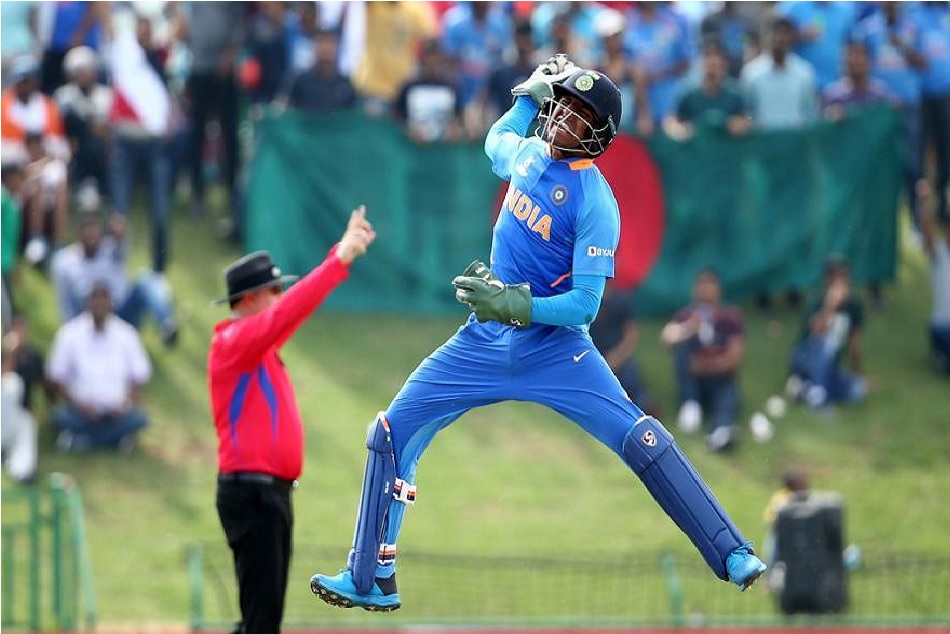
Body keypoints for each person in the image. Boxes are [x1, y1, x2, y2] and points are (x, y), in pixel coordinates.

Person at [310, 57, 766, 613]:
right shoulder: (528, 153)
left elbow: (585, 305)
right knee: (390, 430)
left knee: (641, 436)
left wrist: (513, 303)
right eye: (559, 109)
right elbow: (496, 139)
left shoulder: (597, 203)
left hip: (558, 350)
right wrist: (527, 96)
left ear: (599, 137)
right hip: (484, 339)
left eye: (574, 117)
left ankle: (731, 551)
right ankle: (372, 577)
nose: (558, 122)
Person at [209, 207, 375, 634]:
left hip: (270, 496)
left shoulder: (256, 348)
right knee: (262, 623)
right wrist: (338, 260)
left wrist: (339, 257)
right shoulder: (232, 342)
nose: (280, 297)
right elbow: (285, 314)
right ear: (249, 300)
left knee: (262, 620)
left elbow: (292, 312)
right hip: (254, 495)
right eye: (272, 291)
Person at [47, 282, 152, 452]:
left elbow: (139, 378)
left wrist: (125, 404)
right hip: (80, 411)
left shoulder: (127, 334)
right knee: (60, 417)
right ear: (87, 302)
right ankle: (114, 440)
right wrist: (80, 405)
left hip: (116, 412)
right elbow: (58, 378)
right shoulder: (69, 333)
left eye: (104, 299)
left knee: (139, 418)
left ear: (111, 302)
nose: (99, 304)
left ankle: (84, 441)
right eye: (95, 298)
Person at [50, 210, 179, 346]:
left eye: (95, 231)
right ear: (79, 234)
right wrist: (73, 334)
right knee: (84, 292)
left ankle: (167, 325)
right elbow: (66, 304)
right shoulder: (65, 262)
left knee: (147, 281)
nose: (91, 237)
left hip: (121, 314)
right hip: (90, 320)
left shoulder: (111, 249)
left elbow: (123, 245)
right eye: (87, 231)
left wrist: (121, 234)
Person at [660, 269, 746, 453]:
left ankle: (720, 431)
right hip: (693, 380)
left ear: (719, 290)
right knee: (682, 349)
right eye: (702, 285)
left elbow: (735, 356)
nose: (706, 291)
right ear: (695, 290)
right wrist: (689, 328)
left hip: (719, 376)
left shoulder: (730, 317)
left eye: (710, 285)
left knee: (728, 394)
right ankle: (690, 406)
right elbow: (667, 340)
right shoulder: (686, 316)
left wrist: (706, 366)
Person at [786, 258, 867, 412]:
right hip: (804, 360)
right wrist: (830, 306)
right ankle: (818, 402)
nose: (845, 283)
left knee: (857, 391)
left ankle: (803, 389)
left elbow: (854, 344)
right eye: (839, 279)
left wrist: (858, 375)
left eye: (846, 277)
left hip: (830, 368)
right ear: (828, 280)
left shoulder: (854, 306)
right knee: (827, 342)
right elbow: (815, 334)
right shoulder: (815, 302)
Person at [590, 281, 656, 416]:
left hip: (617, 355)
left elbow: (632, 335)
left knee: (630, 376)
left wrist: (617, 356)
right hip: (591, 354)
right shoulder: (586, 300)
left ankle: (644, 409)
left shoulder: (622, 301)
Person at [665, 41, 749, 140]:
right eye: (708, 57)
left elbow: (746, 120)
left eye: (716, 58)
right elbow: (672, 120)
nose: (712, 62)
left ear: (724, 63)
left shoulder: (735, 93)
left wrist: (739, 125)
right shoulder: (688, 93)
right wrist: (680, 130)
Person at [277, 29, 356, 115]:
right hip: (306, 127)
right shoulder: (299, 80)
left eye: (330, 43)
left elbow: (356, 111)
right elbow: (281, 105)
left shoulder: (345, 83)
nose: (326, 48)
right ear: (314, 47)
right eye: (321, 42)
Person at [1, 329, 38, 484]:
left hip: (10, 426)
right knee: (11, 384)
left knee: (27, 422)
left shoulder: (30, 358)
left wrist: (11, 354)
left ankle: (22, 469)